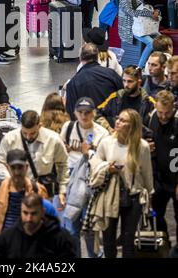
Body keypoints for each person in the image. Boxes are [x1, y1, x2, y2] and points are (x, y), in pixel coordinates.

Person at [89, 109, 153, 258]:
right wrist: (108, 169)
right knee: (108, 240)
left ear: (133, 126)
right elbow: (95, 166)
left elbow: (147, 174)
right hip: (110, 196)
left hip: (133, 197)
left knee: (128, 241)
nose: (118, 122)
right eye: (118, 118)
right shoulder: (106, 143)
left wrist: (150, 198)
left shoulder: (142, 146)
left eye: (123, 120)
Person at [60, 97, 109, 258]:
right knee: (71, 228)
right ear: (74, 113)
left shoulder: (101, 133)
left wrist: (88, 153)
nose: (83, 116)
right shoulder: (68, 127)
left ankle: (95, 255)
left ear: (93, 113)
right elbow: (60, 153)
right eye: (80, 112)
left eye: (87, 112)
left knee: (89, 229)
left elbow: (104, 161)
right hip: (71, 183)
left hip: (90, 184)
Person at [0, 110, 69, 207]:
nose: (28, 137)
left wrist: (63, 190)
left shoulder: (54, 140)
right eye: (24, 133)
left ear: (39, 125)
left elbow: (63, 165)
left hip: (44, 195)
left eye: (32, 133)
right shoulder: (9, 139)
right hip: (17, 193)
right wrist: (11, 179)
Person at [0, 149, 48, 234]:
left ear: (26, 167)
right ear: (8, 168)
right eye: (13, 168)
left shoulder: (37, 189)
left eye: (20, 167)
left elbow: (46, 218)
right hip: (2, 241)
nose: (17, 172)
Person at [0, 193, 76, 259]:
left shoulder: (61, 238)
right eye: (25, 213)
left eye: (34, 213)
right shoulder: (7, 238)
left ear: (43, 212)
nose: (29, 218)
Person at [147, 91, 178, 245]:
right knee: (157, 215)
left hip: (176, 178)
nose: (164, 117)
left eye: (167, 113)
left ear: (174, 107)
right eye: (160, 112)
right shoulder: (152, 117)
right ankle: (165, 246)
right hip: (159, 178)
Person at [66, 43, 123, 119]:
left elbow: (71, 113)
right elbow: (123, 96)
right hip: (112, 124)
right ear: (97, 57)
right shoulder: (112, 74)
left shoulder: (73, 83)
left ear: (80, 58)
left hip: (88, 125)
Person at [118, 0, 160, 69]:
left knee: (161, 39)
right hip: (130, 30)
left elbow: (145, 8)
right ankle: (140, 67)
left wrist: (155, 11)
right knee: (151, 43)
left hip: (141, 27)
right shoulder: (123, 0)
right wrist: (150, 14)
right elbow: (133, 13)